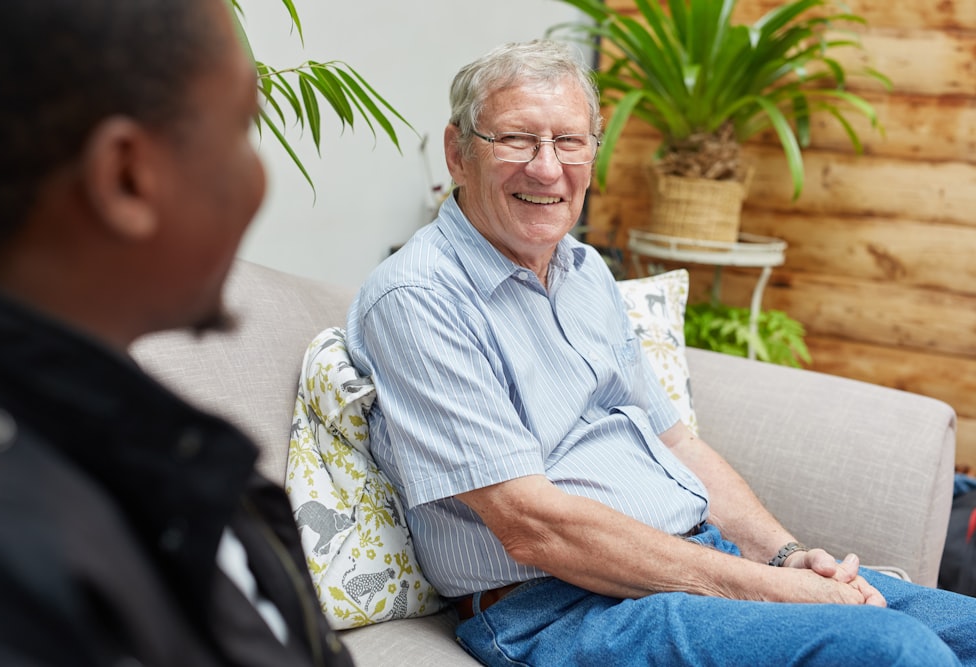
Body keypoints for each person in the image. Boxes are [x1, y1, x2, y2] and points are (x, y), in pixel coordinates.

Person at [346, 39, 976, 666]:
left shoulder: (584, 270)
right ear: (459, 153)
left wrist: (785, 555)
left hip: (693, 561)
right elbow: (530, 524)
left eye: (569, 141)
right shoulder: (418, 297)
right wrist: (776, 592)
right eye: (516, 140)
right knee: (891, 651)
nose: (546, 168)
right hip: (557, 608)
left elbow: (677, 443)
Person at [0, 1, 350, 665]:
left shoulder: (137, 442)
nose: (259, 177)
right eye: (244, 127)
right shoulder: (17, 569)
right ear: (126, 178)